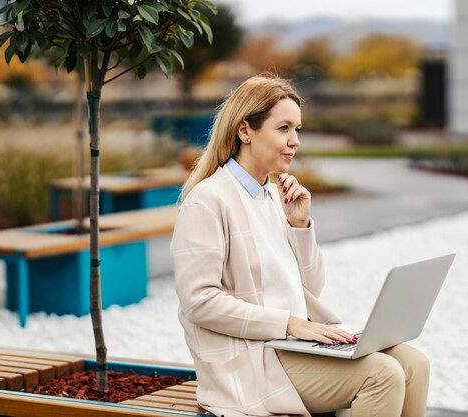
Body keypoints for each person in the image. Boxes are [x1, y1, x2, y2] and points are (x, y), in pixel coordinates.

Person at [171, 75, 430, 417]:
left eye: (298, 129)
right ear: (245, 130)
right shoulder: (208, 201)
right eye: (283, 128)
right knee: (381, 376)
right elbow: (199, 303)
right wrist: (291, 324)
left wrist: (300, 226)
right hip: (251, 362)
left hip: (292, 347)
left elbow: (311, 289)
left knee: (414, 363)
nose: (294, 141)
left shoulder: (273, 196)